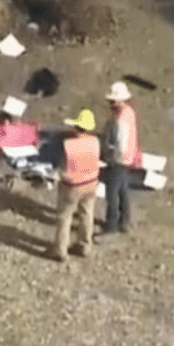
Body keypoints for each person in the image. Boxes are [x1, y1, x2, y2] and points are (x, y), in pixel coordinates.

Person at [54, 109, 101, 261]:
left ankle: (60, 250)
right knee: (87, 214)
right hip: (91, 183)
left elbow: (62, 166)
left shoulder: (68, 145)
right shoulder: (95, 142)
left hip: (72, 186)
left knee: (65, 217)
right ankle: (85, 245)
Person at [101, 81, 141, 234]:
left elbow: (120, 143)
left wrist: (108, 155)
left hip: (118, 159)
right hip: (128, 157)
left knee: (112, 193)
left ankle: (111, 225)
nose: (110, 103)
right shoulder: (128, 112)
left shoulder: (119, 120)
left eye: (112, 100)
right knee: (123, 191)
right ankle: (125, 221)